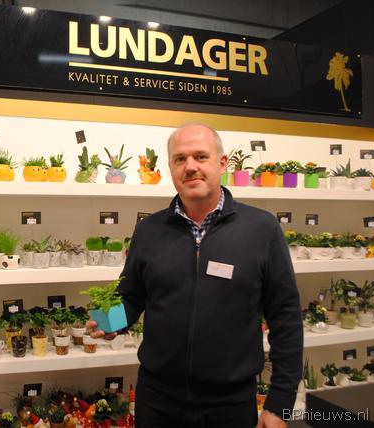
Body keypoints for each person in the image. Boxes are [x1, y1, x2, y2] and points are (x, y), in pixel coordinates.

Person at [88, 123, 303, 428]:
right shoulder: (149, 231)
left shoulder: (261, 229)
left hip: (230, 404)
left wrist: (280, 403)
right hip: (157, 400)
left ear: (222, 163)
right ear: (171, 167)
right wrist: (111, 323)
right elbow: (133, 297)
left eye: (201, 156)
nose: (190, 167)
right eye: (180, 159)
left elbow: (286, 317)